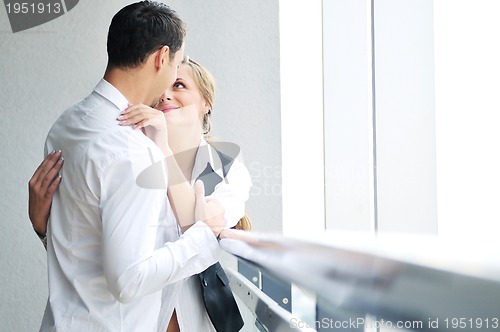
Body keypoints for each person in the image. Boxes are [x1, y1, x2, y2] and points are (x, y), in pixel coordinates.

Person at [37, 2, 227, 331]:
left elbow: (82, 237)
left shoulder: (65, 126)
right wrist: (203, 238)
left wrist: (43, 228)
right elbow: (129, 280)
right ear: (161, 58)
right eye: (177, 64)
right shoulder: (134, 152)